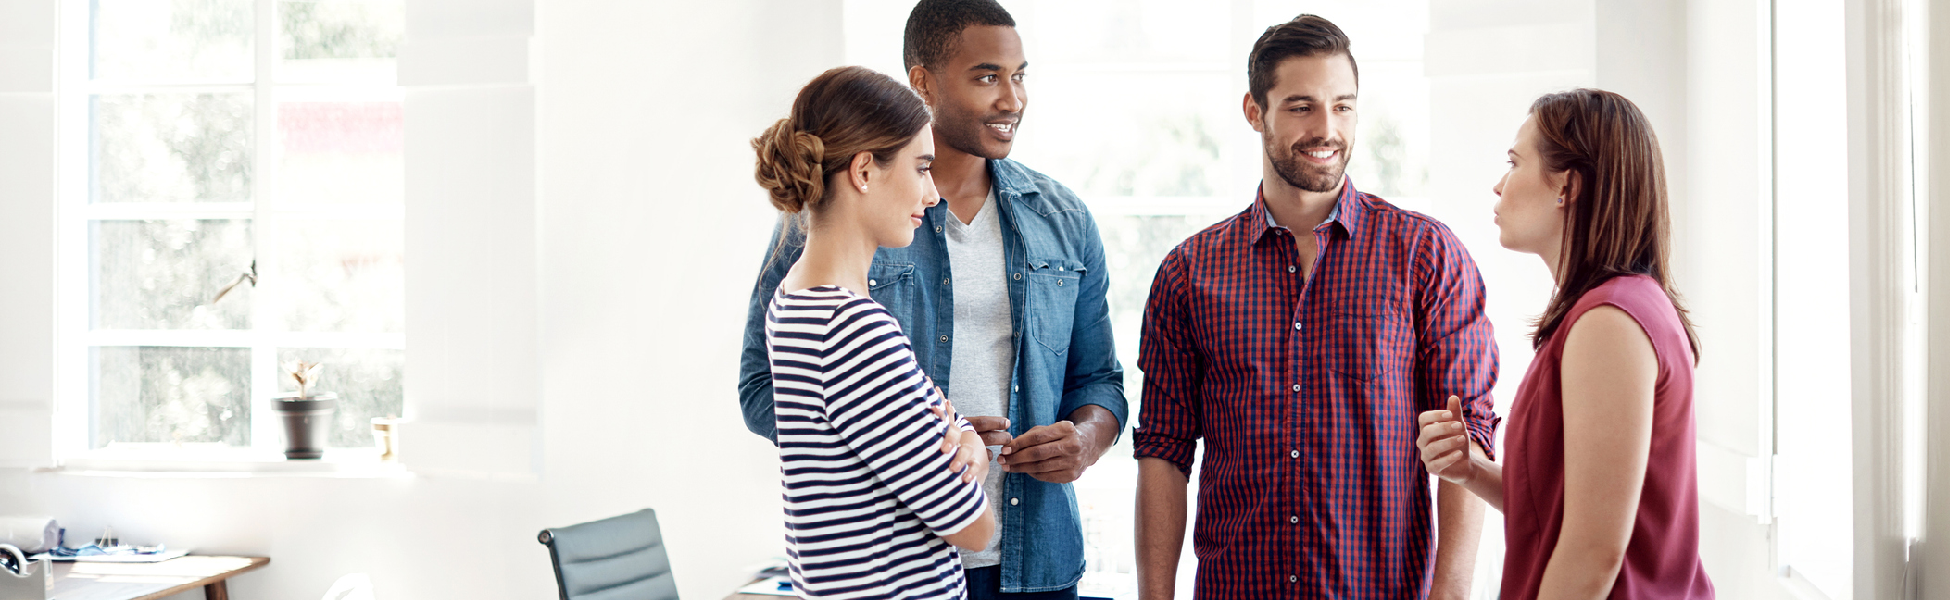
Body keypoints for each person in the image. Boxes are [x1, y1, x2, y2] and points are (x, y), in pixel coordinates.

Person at [738, 2, 1125, 598]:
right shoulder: (821, 224)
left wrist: (1086, 440)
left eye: (1019, 76)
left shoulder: (1064, 218)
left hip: (1037, 563)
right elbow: (767, 388)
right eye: (987, 76)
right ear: (923, 82)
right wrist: (917, 439)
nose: (1013, 99)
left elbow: (1099, 379)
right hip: (895, 562)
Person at [1132, 14, 1499, 600]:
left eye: (1343, 106)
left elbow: (1467, 435)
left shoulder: (1426, 255)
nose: (1327, 129)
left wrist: (1450, 596)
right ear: (1255, 111)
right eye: (1302, 107)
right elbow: (1163, 449)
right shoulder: (1189, 272)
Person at [1414, 88, 1714, 598]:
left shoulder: (1609, 322)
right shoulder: (1608, 312)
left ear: (1567, 187)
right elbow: (1567, 509)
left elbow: (1592, 553)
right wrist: (1472, 470)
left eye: (1514, 163)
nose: (1499, 184)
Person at [752, 65, 998, 599]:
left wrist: (962, 434)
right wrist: (969, 453)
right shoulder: (854, 330)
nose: (932, 194)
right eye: (922, 168)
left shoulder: (792, 300)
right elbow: (975, 529)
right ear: (864, 170)